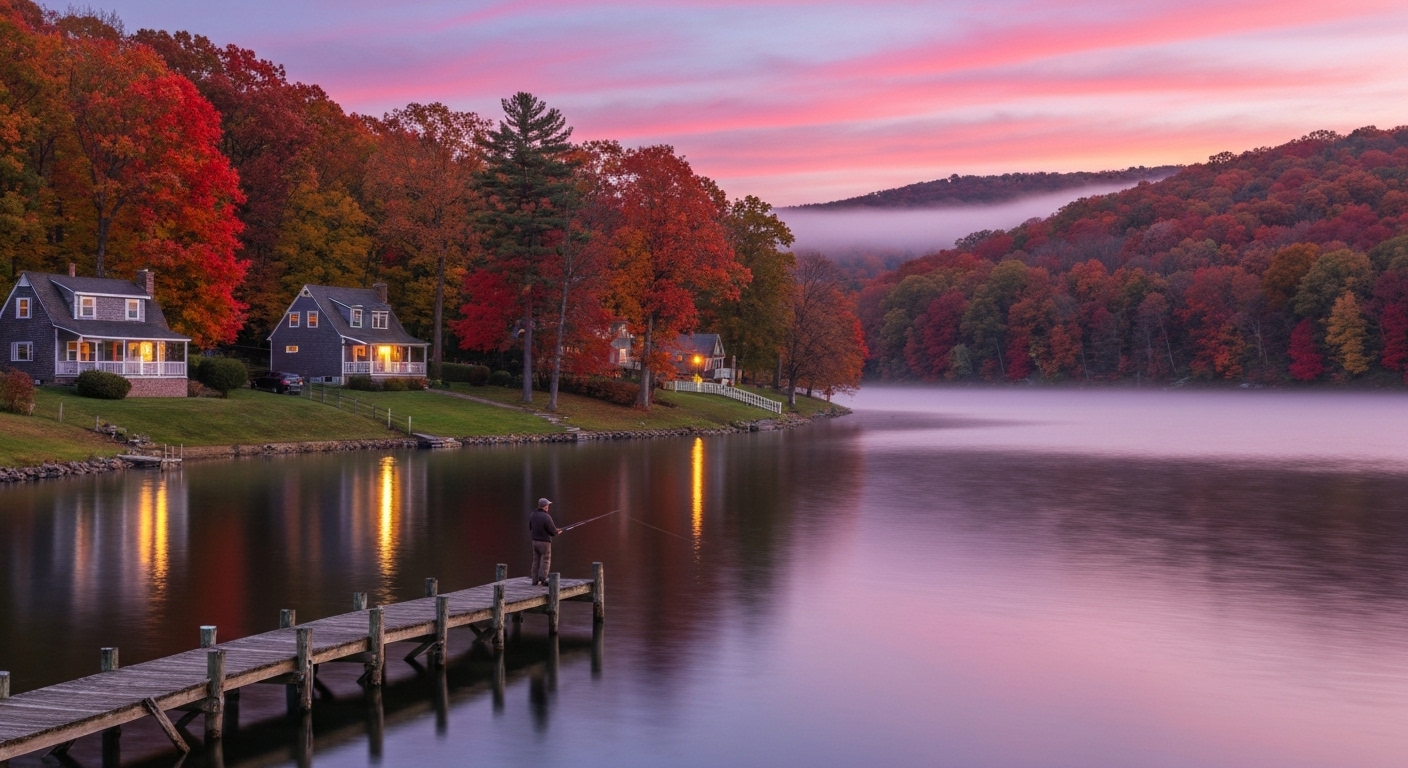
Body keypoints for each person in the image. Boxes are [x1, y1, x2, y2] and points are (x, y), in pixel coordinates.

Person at [529, 497, 560, 586]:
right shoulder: (546, 516)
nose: (548, 507)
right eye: (548, 505)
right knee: (545, 559)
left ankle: (534, 580)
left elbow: (531, 527)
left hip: (534, 541)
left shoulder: (532, 515)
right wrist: (557, 531)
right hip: (544, 542)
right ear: (545, 506)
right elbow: (553, 532)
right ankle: (543, 579)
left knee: (536, 560)